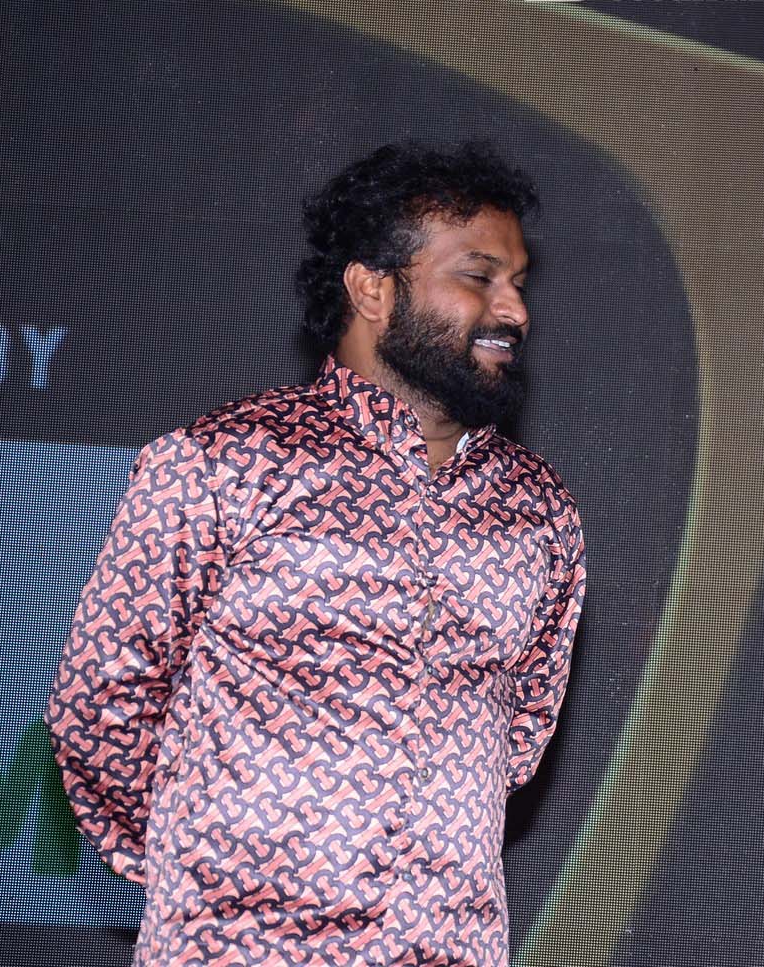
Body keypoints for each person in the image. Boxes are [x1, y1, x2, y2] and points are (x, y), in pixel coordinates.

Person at [47, 141, 586, 967]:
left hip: (449, 948)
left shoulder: (538, 508)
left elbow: (519, 732)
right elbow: (102, 707)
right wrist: (212, 873)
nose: (512, 310)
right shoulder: (225, 461)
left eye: (517, 282)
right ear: (372, 289)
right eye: (478, 277)